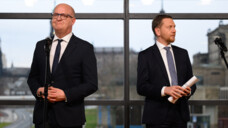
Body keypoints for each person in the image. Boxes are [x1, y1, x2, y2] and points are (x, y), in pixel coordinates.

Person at [27, 3, 98, 128]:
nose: (58, 18)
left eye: (63, 15)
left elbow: (91, 84)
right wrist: (38, 90)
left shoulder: (85, 48)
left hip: (70, 119)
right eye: (55, 15)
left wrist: (65, 95)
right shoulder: (41, 45)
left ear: (73, 21)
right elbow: (32, 78)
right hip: (43, 118)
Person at [137, 14, 196, 128]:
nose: (174, 30)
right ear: (158, 31)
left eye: (174, 27)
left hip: (180, 117)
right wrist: (165, 90)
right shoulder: (145, 56)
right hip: (156, 118)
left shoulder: (183, 54)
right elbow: (141, 87)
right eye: (170, 27)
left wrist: (188, 91)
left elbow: (191, 82)